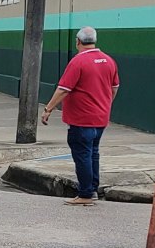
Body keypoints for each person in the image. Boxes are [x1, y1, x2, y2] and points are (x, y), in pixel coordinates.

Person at [41, 26, 120, 206]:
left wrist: (48, 109)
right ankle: (92, 189)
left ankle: (85, 193)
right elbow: (114, 88)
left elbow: (63, 89)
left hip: (82, 118)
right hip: (101, 117)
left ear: (77, 41)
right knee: (93, 153)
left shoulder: (78, 62)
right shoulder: (108, 61)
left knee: (82, 154)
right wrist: (105, 104)